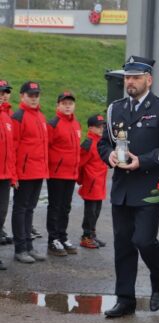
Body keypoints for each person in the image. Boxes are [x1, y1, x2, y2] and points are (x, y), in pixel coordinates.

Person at [98, 55, 159, 318]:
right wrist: (108, 156)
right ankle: (125, 299)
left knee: (143, 240)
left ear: (148, 79)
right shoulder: (116, 108)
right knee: (123, 245)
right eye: (127, 78)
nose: (130, 82)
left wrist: (141, 161)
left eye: (135, 77)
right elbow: (104, 143)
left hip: (149, 188)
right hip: (121, 188)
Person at [11, 81, 49, 263]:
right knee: (21, 209)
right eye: (30, 95)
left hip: (37, 171)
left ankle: (29, 246)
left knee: (30, 209)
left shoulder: (40, 116)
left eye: (36, 95)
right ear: (22, 96)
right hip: (24, 172)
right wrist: (14, 174)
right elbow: (13, 147)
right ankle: (20, 249)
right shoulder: (18, 116)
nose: (34, 99)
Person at [46, 91, 81, 256]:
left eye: (70, 103)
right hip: (56, 173)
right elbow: (46, 148)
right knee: (55, 207)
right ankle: (53, 239)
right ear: (58, 105)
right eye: (64, 103)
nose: (68, 106)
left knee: (65, 207)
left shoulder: (76, 124)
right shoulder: (53, 124)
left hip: (71, 173)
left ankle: (62, 236)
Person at [78, 114, 108, 249]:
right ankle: (86, 237)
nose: (101, 129)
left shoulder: (101, 142)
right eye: (98, 127)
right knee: (90, 212)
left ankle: (92, 234)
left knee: (97, 210)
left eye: (102, 126)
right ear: (90, 128)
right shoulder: (88, 143)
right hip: (91, 183)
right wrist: (81, 180)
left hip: (99, 183)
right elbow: (80, 163)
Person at [0, 80, 17, 269]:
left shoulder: (6, 117)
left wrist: (13, 175)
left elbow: (11, 150)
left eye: (5, 92)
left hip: (4, 176)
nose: (2, 95)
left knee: (1, 214)